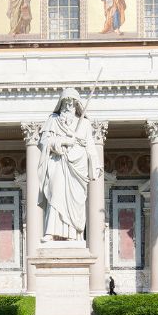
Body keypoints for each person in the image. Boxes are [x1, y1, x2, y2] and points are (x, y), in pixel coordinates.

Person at [38, 87, 95, 241]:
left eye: (71, 103)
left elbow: (90, 147)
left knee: (75, 199)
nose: (68, 106)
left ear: (77, 105)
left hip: (77, 166)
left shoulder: (84, 124)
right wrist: (63, 141)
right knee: (55, 193)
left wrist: (95, 167)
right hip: (58, 163)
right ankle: (50, 231)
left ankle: (73, 234)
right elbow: (44, 142)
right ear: (61, 104)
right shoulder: (53, 121)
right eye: (65, 103)